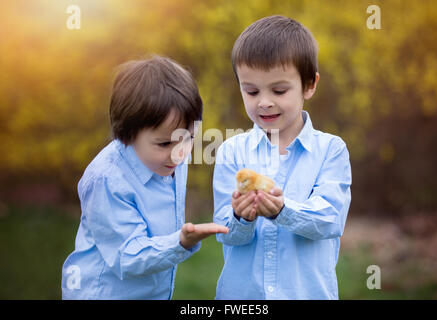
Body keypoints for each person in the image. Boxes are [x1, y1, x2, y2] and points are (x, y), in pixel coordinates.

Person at [61, 55, 228, 300]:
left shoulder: (170, 156)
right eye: (164, 143)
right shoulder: (107, 180)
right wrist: (179, 242)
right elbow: (127, 256)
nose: (180, 153)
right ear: (127, 134)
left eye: (189, 137)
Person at [213, 15, 352, 299]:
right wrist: (240, 217)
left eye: (279, 90)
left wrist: (282, 211)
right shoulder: (232, 151)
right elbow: (224, 231)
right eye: (251, 91)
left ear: (309, 85)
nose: (264, 101)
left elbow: (330, 220)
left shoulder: (331, 150)